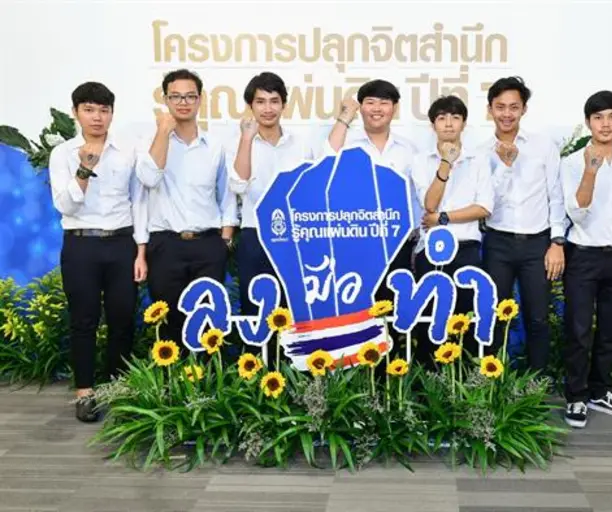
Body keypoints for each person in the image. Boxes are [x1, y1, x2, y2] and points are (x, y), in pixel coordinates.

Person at [48, 82, 147, 422]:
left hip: (121, 243)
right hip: (81, 244)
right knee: (83, 320)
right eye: (89, 109)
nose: (97, 117)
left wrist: (140, 251)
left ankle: (116, 388)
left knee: (122, 318)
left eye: (104, 110)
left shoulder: (126, 152)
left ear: (111, 114)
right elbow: (64, 204)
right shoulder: (63, 154)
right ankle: (85, 393)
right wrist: (84, 169)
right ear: (76, 112)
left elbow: (139, 201)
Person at [559, 91, 612, 428]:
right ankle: (576, 396)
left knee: (610, 329)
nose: (605, 124)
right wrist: (590, 172)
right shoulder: (570, 163)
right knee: (578, 330)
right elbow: (576, 213)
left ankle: (600, 391)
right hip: (583, 254)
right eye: (598, 118)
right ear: (587, 123)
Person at [137, 69, 238, 347]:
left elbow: (227, 195)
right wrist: (163, 132)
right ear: (165, 99)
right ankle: (173, 376)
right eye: (176, 97)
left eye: (190, 96)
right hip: (166, 245)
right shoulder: (150, 143)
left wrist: (224, 241)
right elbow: (148, 178)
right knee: (170, 323)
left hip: (208, 245)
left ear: (200, 99)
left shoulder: (214, 146)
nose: (183, 102)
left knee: (208, 327)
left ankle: (205, 374)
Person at [325, 79, 419, 357]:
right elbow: (326, 161)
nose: (377, 109)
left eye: (384, 103)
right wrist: (344, 118)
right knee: (357, 313)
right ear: (361, 107)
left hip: (398, 245)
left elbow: (417, 196)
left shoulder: (408, 149)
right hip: (356, 245)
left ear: (395, 108)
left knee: (394, 314)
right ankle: (357, 374)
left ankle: (393, 375)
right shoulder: (347, 143)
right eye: (370, 102)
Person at [480, 76, 566, 372]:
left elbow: (556, 195)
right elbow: (483, 201)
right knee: (494, 316)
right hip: (497, 242)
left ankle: (536, 384)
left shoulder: (543, 146)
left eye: (514, 107)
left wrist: (557, 242)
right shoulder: (480, 151)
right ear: (490, 109)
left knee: (538, 317)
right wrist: (504, 167)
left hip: (537, 243)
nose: (507, 114)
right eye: (500, 107)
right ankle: (491, 384)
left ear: (524, 109)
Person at [230, 72, 313, 364]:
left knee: (293, 307)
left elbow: (309, 191)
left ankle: (294, 374)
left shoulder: (300, 144)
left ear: (284, 105)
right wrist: (246, 139)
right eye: (261, 101)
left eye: (274, 101)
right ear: (250, 106)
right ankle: (256, 372)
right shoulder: (240, 142)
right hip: (255, 235)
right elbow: (238, 185)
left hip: (294, 238)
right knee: (255, 307)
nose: (268, 108)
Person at [411, 95, 494, 366]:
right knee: (430, 318)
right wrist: (445, 163)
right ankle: (429, 381)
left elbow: (484, 207)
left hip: (466, 248)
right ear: (433, 124)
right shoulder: (421, 160)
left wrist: (443, 218)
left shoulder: (478, 160)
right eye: (442, 118)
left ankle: (465, 379)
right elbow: (429, 204)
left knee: (465, 318)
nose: (449, 124)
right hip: (431, 251)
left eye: (455, 118)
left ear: (464, 124)